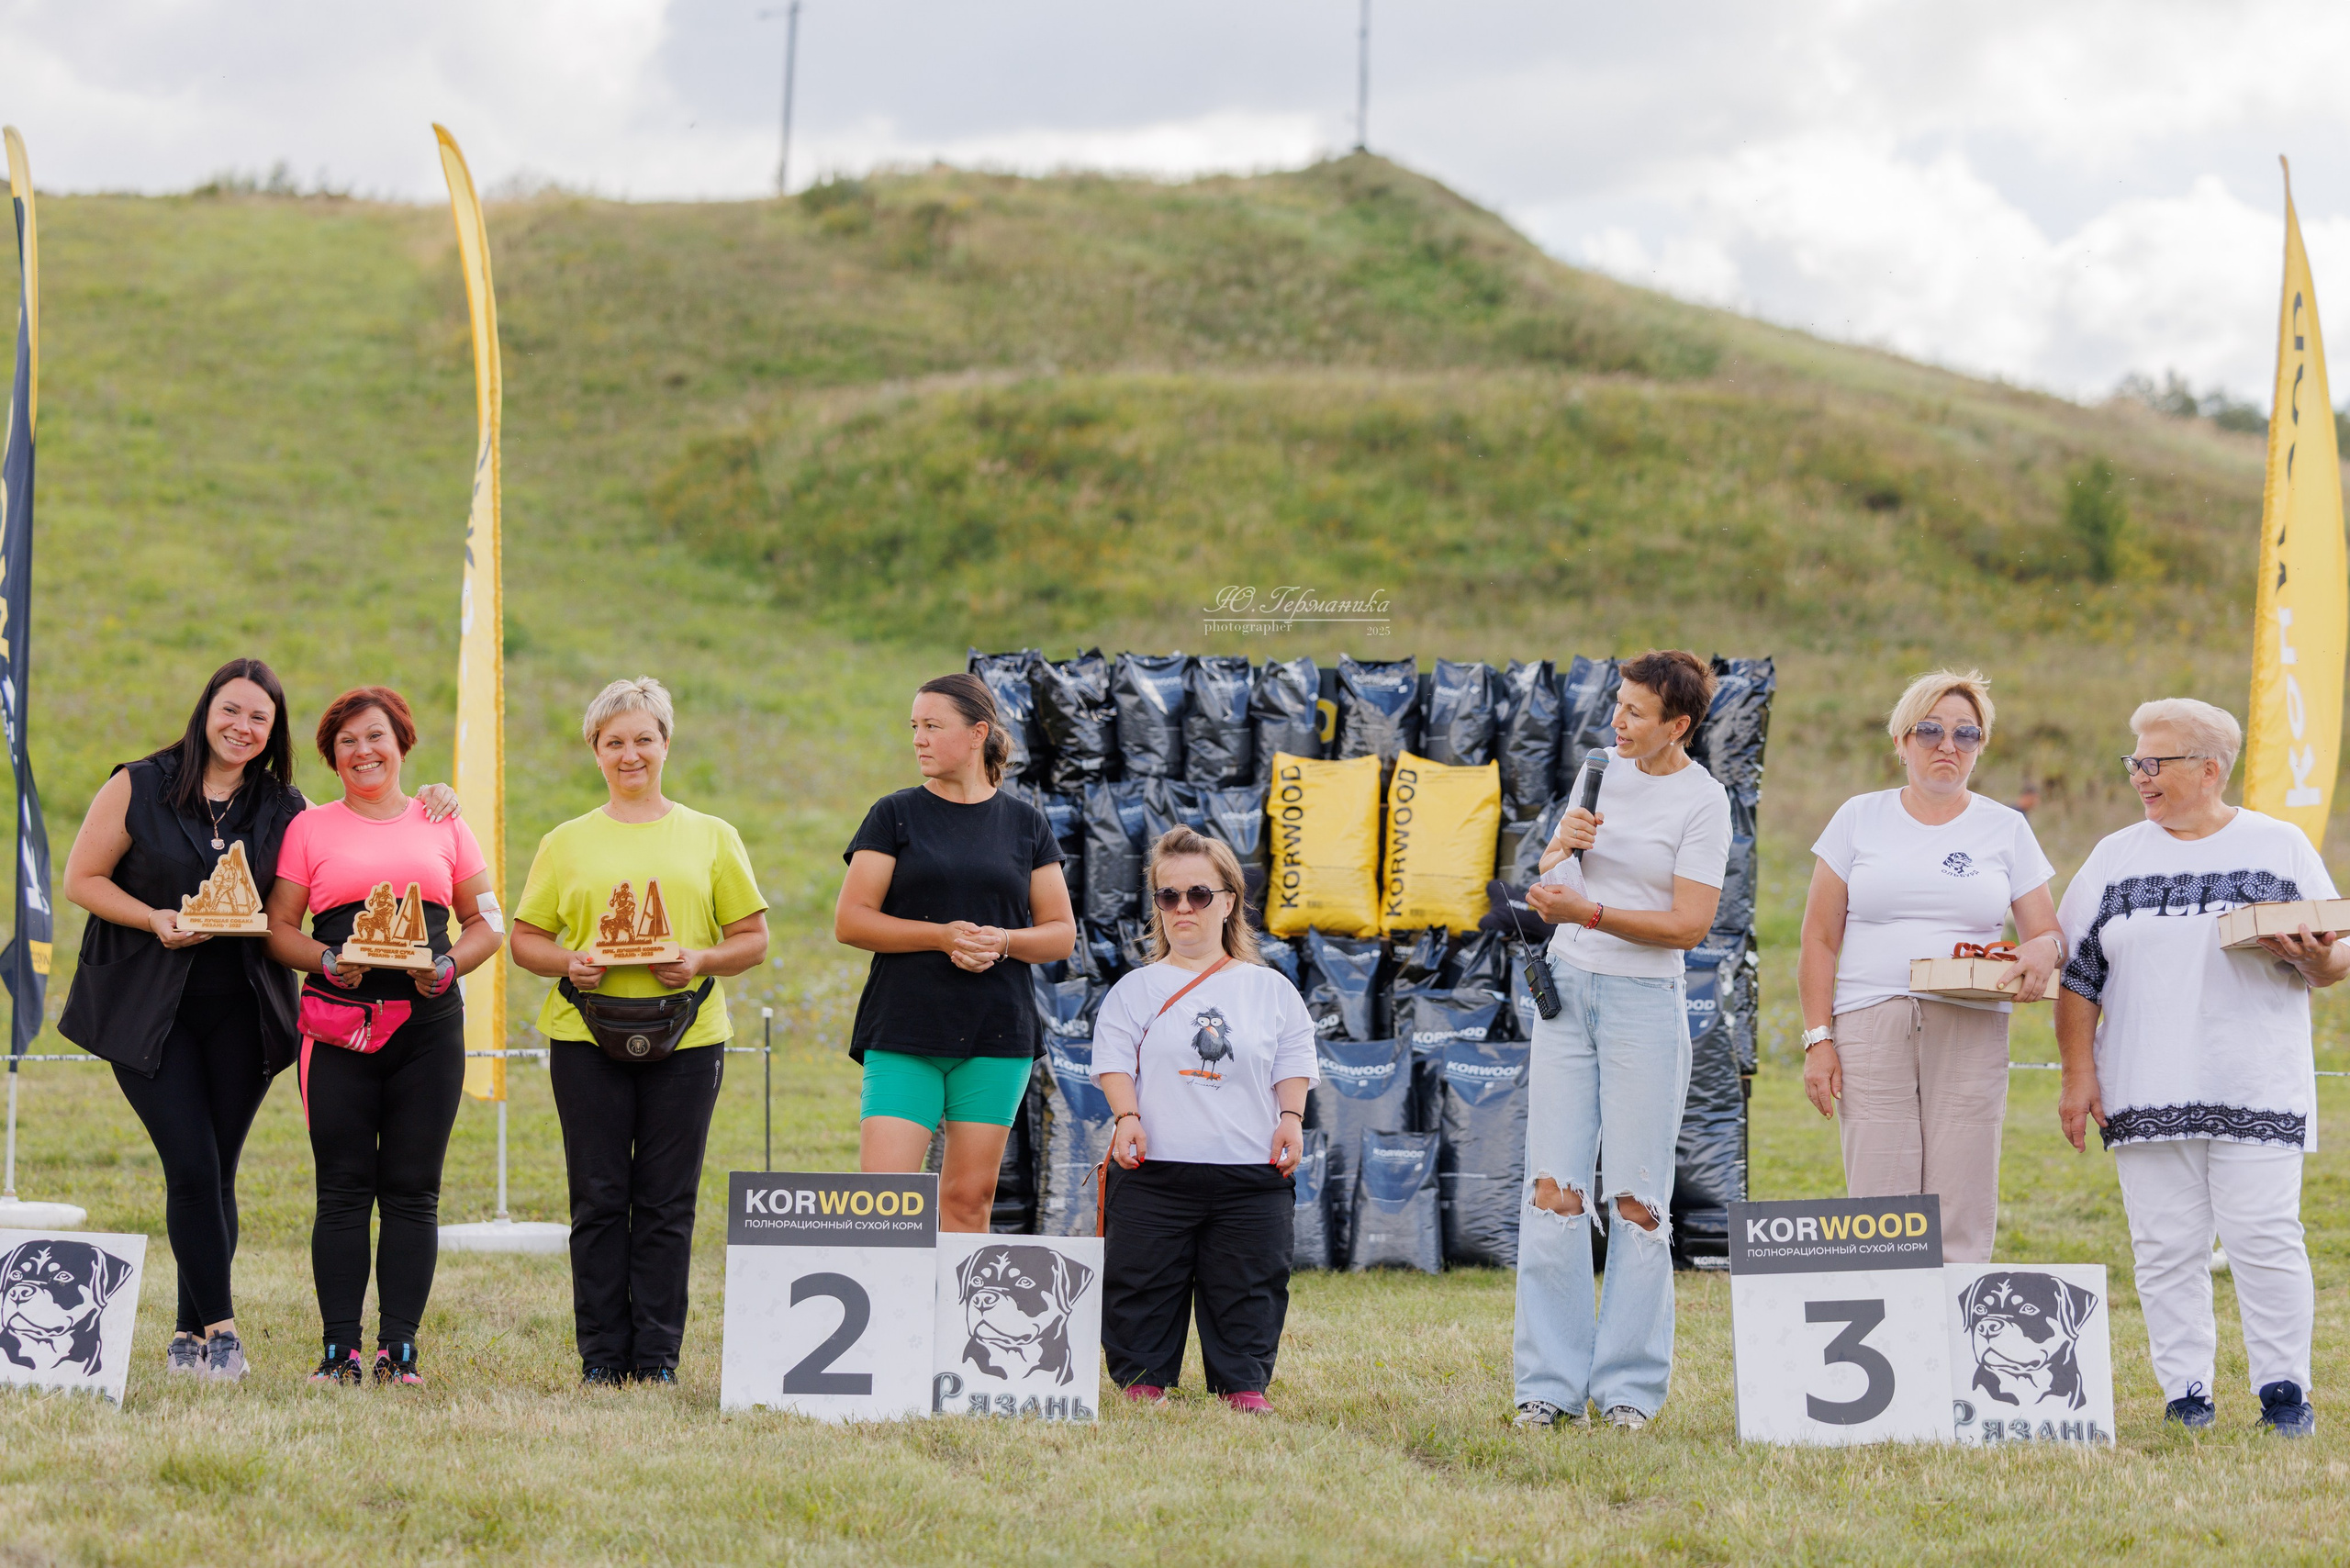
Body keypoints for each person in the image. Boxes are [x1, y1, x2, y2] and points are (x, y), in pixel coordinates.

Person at [58, 659, 461, 1383]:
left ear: (272, 733)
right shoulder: (139, 783)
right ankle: (223, 1331)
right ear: (205, 709)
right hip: (148, 1009)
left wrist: (433, 795)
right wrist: (155, 918)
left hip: (244, 1010)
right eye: (231, 711)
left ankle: (187, 1334)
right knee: (191, 1161)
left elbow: (363, 835)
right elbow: (81, 879)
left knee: (219, 1170)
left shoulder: (284, 806)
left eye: (259, 719)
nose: (242, 728)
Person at [2056, 698, 2343, 1438]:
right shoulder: (2115, 857)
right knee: (2163, 1247)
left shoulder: (2278, 846)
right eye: (2135, 762)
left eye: (2156, 762)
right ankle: (2187, 1394)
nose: (2140, 777)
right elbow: (2077, 977)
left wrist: (2316, 957)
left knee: (2266, 1238)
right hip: (2145, 1086)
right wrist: (2078, 1075)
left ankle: (2285, 1393)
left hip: (2255, 1082)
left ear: (2210, 768)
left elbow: (2333, 959)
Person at [510, 678, 769, 1386]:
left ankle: (656, 1358)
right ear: (595, 750)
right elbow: (526, 940)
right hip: (583, 1036)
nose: (631, 754)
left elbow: (752, 940)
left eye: (643, 739)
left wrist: (701, 960)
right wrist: (570, 961)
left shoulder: (712, 837)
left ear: (666, 744)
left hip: (688, 1038)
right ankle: (601, 1357)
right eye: (614, 741)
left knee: (665, 1201)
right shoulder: (565, 843)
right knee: (597, 1198)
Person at [1514, 649, 1731, 1431]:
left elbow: (1690, 926)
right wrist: (1554, 856)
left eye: (1638, 712)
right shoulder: (1599, 769)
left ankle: (1630, 1393)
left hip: (1644, 1001)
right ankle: (1547, 1386)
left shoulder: (1705, 803)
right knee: (1554, 1190)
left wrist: (1591, 915)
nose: (1619, 720)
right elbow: (1556, 885)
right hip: (1567, 993)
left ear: (1679, 725)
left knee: (1638, 1200)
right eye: (1620, 704)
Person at [264, 686, 504, 1388]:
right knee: (341, 1189)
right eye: (346, 742)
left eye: (375, 737)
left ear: (401, 743)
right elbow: (279, 930)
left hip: (429, 1027)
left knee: (413, 1191)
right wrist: (330, 961)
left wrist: (451, 965)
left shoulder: (444, 823)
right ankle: (338, 1351)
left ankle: (399, 1351)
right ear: (332, 756)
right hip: (339, 1026)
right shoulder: (310, 827)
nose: (363, 751)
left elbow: (488, 921)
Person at [1796, 670, 2062, 1261]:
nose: (1948, 745)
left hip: (1970, 1021)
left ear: (1980, 747)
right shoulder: (1858, 817)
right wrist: (1819, 1039)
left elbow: (2044, 931)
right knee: (1880, 1204)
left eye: (1966, 734)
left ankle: (1955, 1329)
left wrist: (2043, 949)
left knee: (1962, 1201)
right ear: (1900, 741)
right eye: (1931, 730)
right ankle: (1893, 1331)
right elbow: (1818, 940)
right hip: (1870, 1021)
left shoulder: (2005, 827)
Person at [834, 674, 1075, 1231]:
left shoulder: (1026, 824)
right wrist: (940, 935)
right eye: (914, 727)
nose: (918, 738)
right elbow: (851, 921)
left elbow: (1061, 932)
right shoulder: (894, 814)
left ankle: (957, 1320)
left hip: (996, 1034)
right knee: (884, 1203)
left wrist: (1006, 940)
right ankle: (892, 1319)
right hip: (904, 1031)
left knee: (969, 1202)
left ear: (977, 734)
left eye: (932, 726)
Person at [1093, 827, 1315, 1413]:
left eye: (1198, 894)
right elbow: (1113, 1061)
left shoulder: (1270, 989)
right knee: (1142, 1278)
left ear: (1228, 901)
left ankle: (1242, 1384)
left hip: (1249, 1172)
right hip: (1156, 1170)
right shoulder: (1135, 989)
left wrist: (1291, 1117)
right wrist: (1127, 1115)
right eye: (1168, 897)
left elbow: (1294, 1058)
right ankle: (1142, 1380)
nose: (1182, 908)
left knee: (1249, 1282)